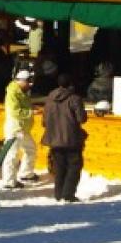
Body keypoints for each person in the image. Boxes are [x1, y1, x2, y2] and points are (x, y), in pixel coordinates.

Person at [42, 72, 87, 202]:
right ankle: (68, 194)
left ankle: (58, 193)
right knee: (74, 166)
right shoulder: (74, 99)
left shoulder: (50, 97)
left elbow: (44, 120)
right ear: (71, 85)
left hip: (53, 139)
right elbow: (81, 119)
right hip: (71, 139)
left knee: (59, 167)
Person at [2, 70, 39, 188]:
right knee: (12, 154)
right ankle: (9, 181)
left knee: (31, 149)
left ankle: (26, 173)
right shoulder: (13, 93)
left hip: (23, 128)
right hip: (15, 128)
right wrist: (31, 112)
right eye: (28, 81)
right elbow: (14, 111)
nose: (30, 84)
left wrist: (32, 107)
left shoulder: (22, 92)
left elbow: (24, 106)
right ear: (21, 81)